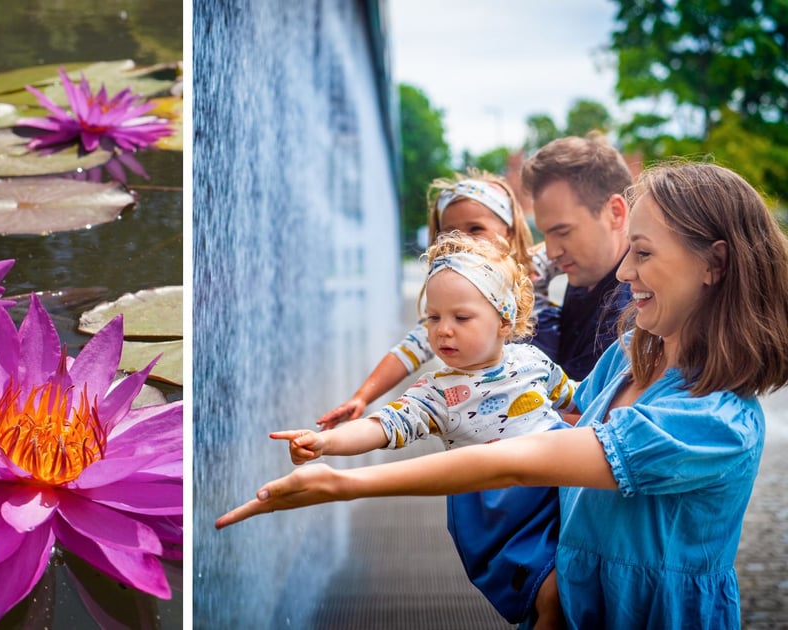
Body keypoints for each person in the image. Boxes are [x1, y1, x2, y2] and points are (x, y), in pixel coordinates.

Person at [217, 162, 788, 628]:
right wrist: (468, 395)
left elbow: (523, 462)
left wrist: (347, 483)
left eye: (642, 253)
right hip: (578, 596)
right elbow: (550, 411)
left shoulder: (716, 423)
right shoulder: (631, 352)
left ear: (714, 263)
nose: (623, 274)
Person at [274, 231, 574, 626]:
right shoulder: (438, 393)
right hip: (506, 515)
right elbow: (383, 426)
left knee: (577, 583)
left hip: (560, 489)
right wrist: (326, 441)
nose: (443, 330)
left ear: (504, 320)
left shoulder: (533, 361)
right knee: (550, 596)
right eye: (433, 318)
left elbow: (578, 399)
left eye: (461, 318)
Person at [317, 170, 559, 429]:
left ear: (509, 232)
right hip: (494, 418)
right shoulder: (452, 306)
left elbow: (581, 245)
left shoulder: (535, 266)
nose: (462, 240)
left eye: (475, 229)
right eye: (450, 232)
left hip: (548, 396)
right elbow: (407, 351)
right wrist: (361, 398)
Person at [522, 133, 634, 381]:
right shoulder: (588, 274)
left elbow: (591, 415)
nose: (552, 252)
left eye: (563, 232)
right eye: (545, 234)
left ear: (615, 212)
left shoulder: (634, 313)